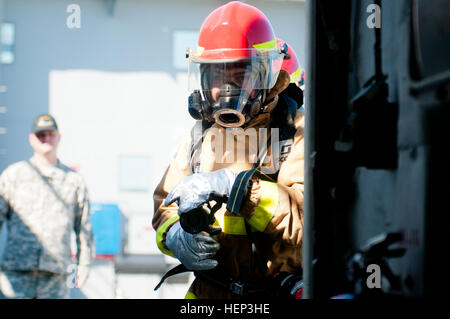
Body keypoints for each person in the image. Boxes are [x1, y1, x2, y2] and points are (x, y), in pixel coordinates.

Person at [153, 1, 304, 299]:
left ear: (266, 74)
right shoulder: (200, 136)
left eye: (240, 74)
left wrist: (239, 189)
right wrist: (174, 235)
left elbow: (304, 224)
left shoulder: (294, 132)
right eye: (217, 75)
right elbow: (164, 207)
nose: (227, 89)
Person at [0, 114, 94, 299]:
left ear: (58, 137)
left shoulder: (73, 180)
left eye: (50, 134)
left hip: (55, 276)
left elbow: (84, 228)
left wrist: (84, 265)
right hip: (16, 273)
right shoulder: (13, 176)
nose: (46, 139)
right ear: (31, 139)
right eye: (41, 135)